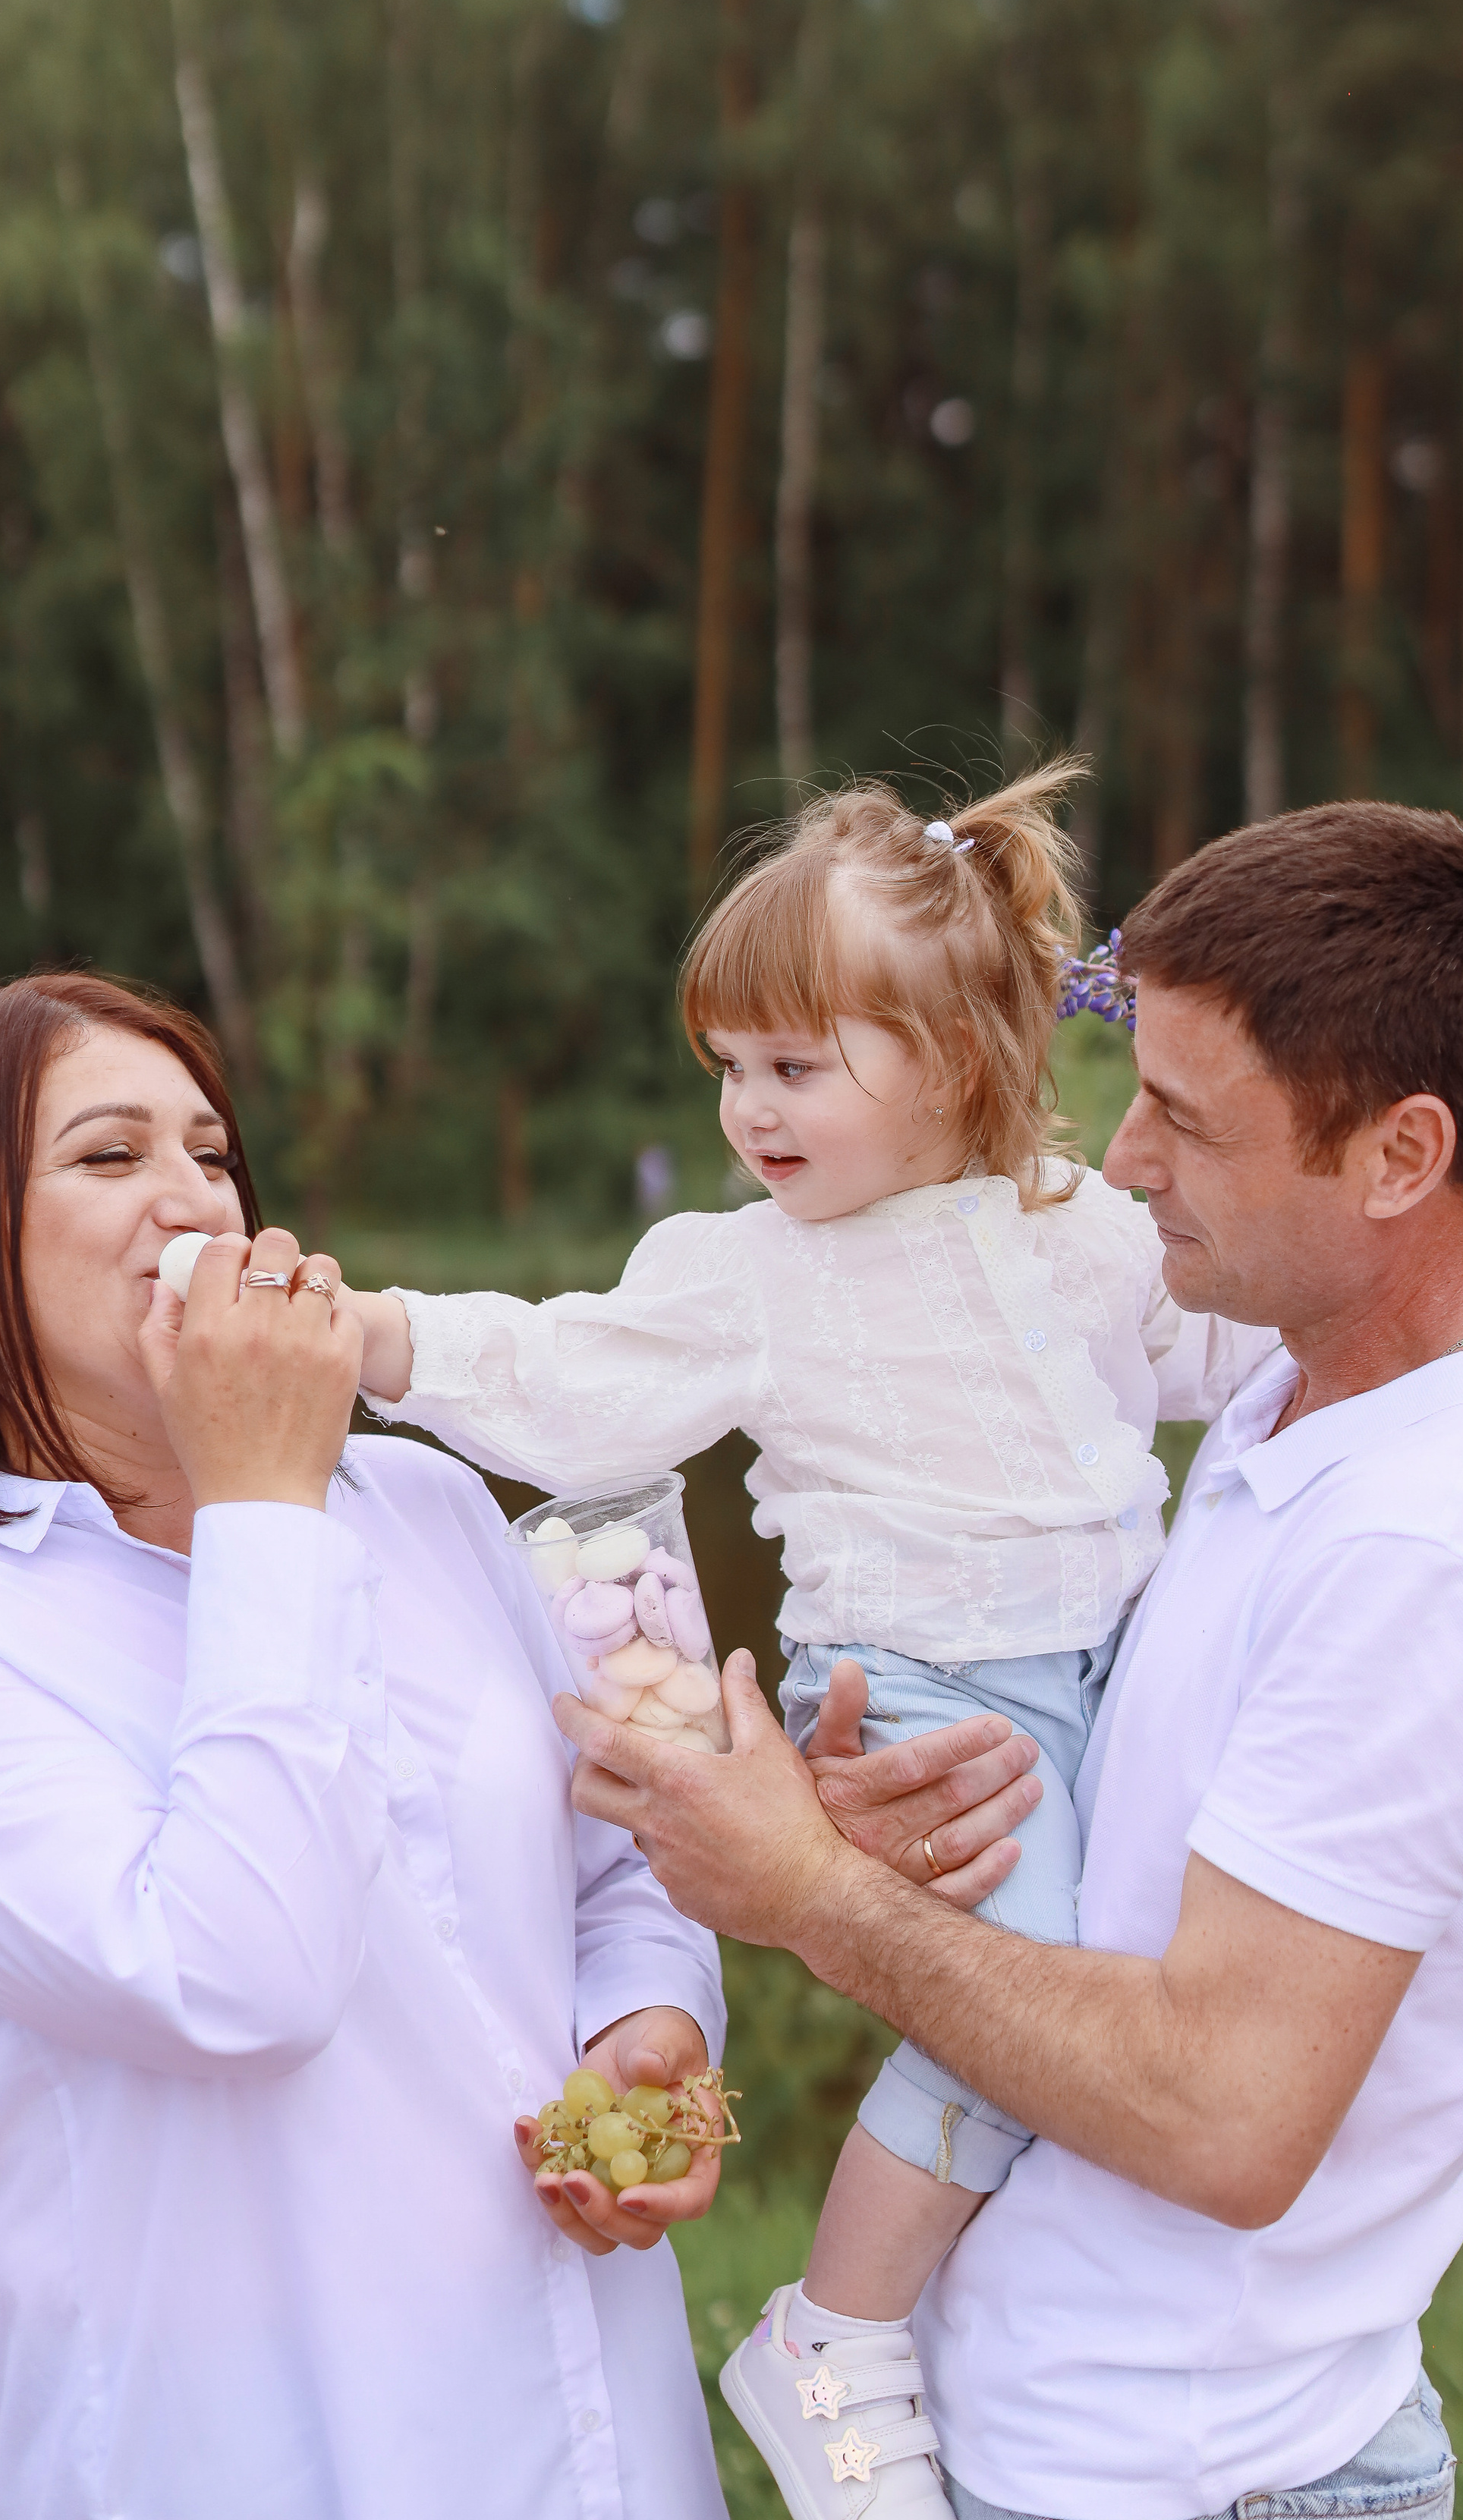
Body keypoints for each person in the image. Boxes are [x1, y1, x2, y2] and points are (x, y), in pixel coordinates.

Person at [556, 801, 1463, 2520]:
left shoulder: (1439, 1544)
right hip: (1080, 2439)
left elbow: (1221, 2116)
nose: (1121, 1158)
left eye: (1187, 1121)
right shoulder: (1299, 1399)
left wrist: (808, 1896)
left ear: (1395, 1155)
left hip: (1204, 2477)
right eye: (1133, 1088)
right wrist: (896, 1803)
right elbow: (1131, 1856)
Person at [346, 761, 1274, 2518]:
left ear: (953, 1059)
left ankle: (1051, 2343)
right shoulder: (752, 1271)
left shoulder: (1073, 1229)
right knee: (1023, 2018)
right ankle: (832, 2331)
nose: (747, 1112)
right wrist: (389, 1335)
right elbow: (570, 1381)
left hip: (1108, 1677)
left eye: (793, 1066)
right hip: (926, 1686)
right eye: (729, 1071)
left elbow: (1217, 1358)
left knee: (1147, 1994)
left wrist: (1425, 1328)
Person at [0, 972, 732, 2520]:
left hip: (582, 2418)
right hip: (249, 2450)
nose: (196, 1199)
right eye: (110, 1157)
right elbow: (239, 1976)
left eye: (213, 1153)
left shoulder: (423, 1508)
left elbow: (619, 1860)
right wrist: (260, 1507)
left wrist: (650, 2024)